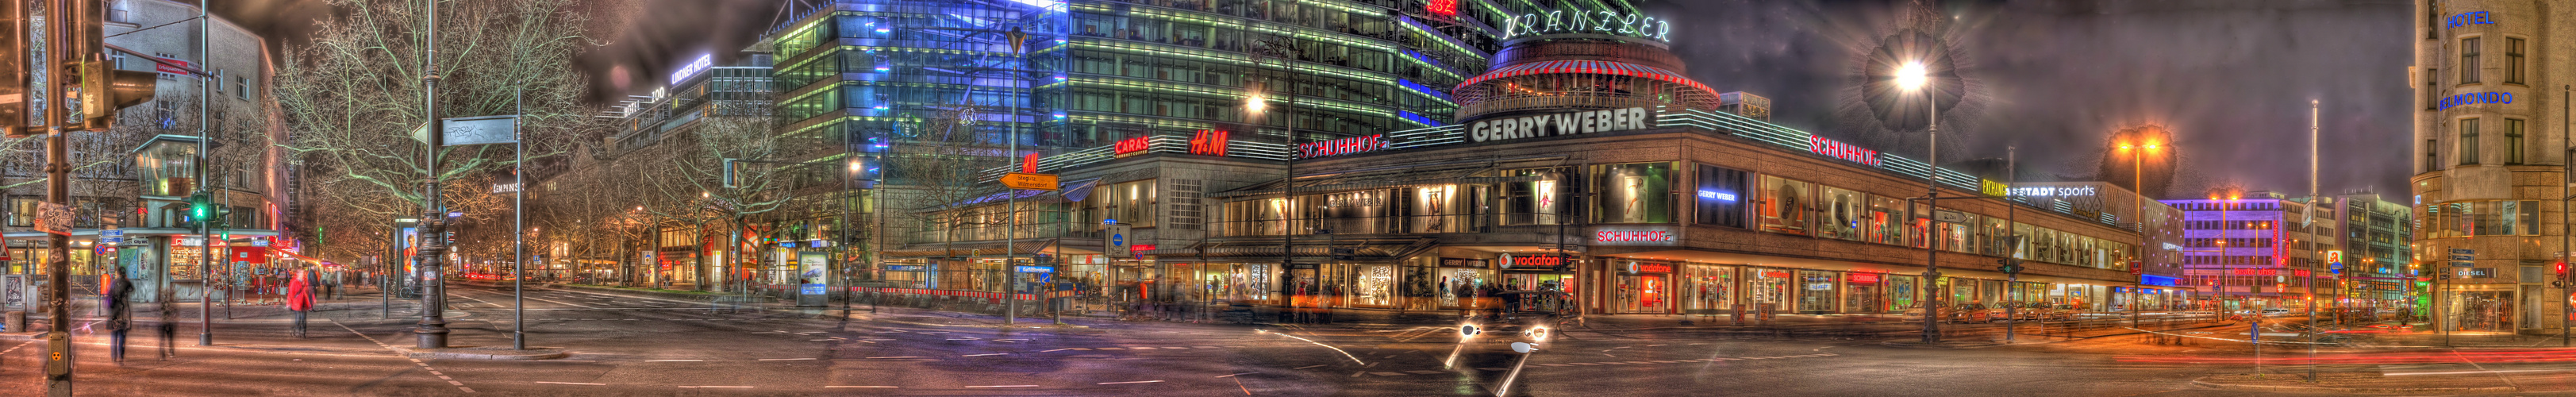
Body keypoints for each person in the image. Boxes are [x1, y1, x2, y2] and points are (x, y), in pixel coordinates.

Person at [104, 269, 132, 364]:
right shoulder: (125, 283)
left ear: (117, 273)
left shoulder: (113, 283)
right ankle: (120, 356)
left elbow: (108, 297)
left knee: (113, 336)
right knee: (121, 336)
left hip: (113, 314)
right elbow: (131, 289)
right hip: (122, 315)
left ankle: (113, 357)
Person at [287, 268, 315, 338]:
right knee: (298, 319)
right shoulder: (295, 282)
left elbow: (310, 291)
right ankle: (297, 332)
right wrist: (289, 302)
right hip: (297, 303)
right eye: (302, 273)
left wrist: (313, 299)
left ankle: (303, 333)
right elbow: (291, 293)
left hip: (304, 303)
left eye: (304, 273)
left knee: (303, 320)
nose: (304, 275)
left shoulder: (306, 282)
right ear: (299, 274)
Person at [158, 286, 178, 360]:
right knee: (170, 338)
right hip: (170, 322)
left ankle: (162, 355)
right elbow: (175, 313)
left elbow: (160, 312)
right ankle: (171, 351)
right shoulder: (172, 303)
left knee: (162, 339)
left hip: (163, 322)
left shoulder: (163, 303)